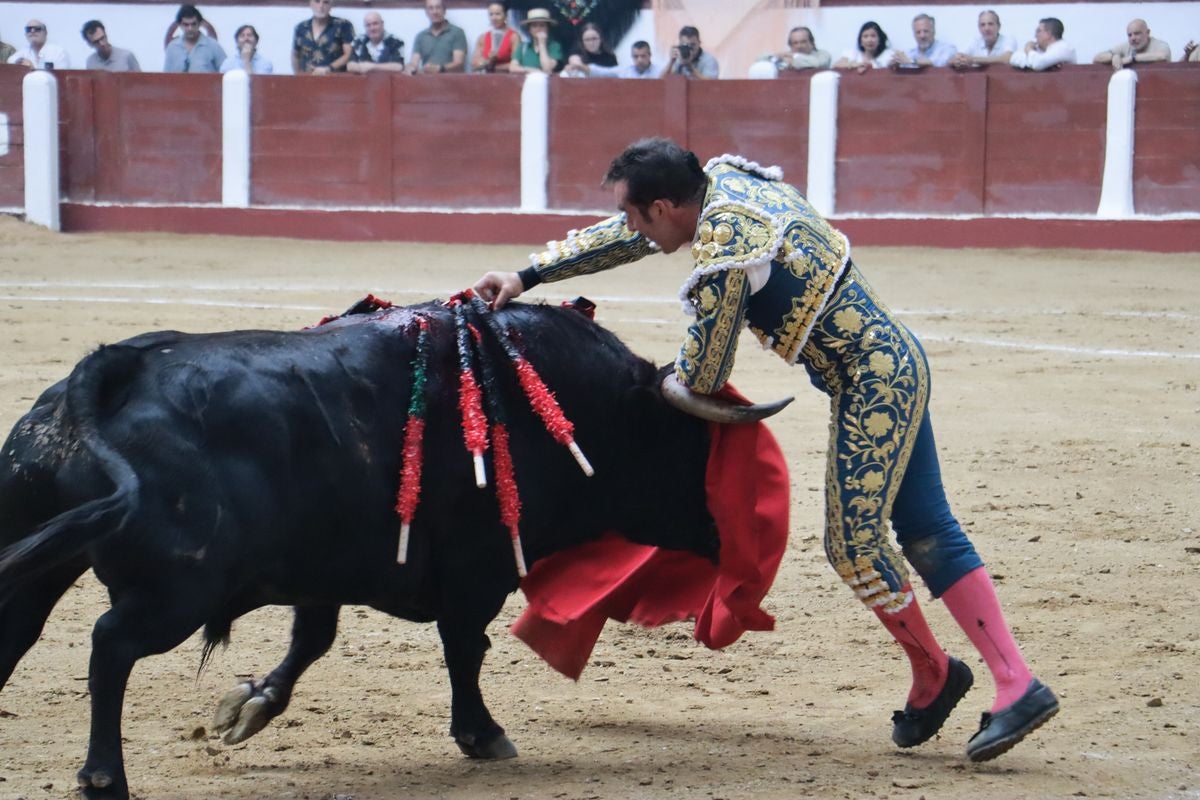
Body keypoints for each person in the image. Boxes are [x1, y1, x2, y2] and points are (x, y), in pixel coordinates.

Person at [474, 137, 1060, 763]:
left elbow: (704, 370)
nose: (632, 227)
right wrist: (529, 275)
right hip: (894, 363)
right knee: (925, 529)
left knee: (855, 548)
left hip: (873, 382)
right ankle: (953, 677)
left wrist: (653, 387)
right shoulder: (725, 181)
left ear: (666, 206)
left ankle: (982, 678)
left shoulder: (725, 249)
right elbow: (631, 237)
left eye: (637, 214)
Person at [292, 0, 354, 75]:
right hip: (307, 79)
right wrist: (298, 76)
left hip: (335, 79)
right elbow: (295, 55)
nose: (321, 6)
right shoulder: (301, 27)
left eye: (326, 2)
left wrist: (328, 68)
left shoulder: (343, 25)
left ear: (331, 6)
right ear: (310, 4)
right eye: (317, 1)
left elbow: (349, 54)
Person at [408, 0, 467, 74]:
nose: (434, 12)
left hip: (451, 81)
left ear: (444, 11)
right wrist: (410, 68)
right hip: (426, 81)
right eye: (430, 8)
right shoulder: (421, 36)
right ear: (426, 12)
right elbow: (414, 63)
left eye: (438, 7)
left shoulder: (457, 32)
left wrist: (440, 68)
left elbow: (459, 64)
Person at [164, 5, 225, 73]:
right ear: (180, 25)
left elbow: (225, 72)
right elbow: (166, 75)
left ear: (199, 24)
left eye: (193, 24)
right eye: (186, 25)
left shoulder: (213, 46)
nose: (190, 28)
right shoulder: (172, 47)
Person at [1092, 19, 1171, 69]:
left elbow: (1163, 55)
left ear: (1147, 33)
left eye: (1137, 33)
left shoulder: (1159, 44)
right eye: (1129, 35)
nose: (1133, 38)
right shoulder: (1126, 45)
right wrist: (1113, 57)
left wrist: (1133, 58)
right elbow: (1096, 58)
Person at [951, 10, 1016, 69]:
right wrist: (956, 61)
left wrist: (973, 60)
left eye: (990, 24)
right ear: (979, 28)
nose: (986, 28)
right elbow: (955, 58)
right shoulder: (974, 41)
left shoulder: (1008, 39)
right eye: (983, 25)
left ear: (999, 26)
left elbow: (1007, 58)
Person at [566, 39, 661, 79]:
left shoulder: (660, 71)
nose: (639, 60)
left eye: (643, 56)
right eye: (636, 56)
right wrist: (580, 67)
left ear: (650, 55)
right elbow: (600, 72)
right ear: (632, 57)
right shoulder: (624, 71)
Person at [509, 8, 563, 75]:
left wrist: (542, 44)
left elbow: (547, 68)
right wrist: (532, 70)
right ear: (529, 29)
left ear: (548, 28)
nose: (538, 29)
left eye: (542, 25)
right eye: (534, 26)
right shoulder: (522, 47)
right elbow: (512, 67)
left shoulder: (554, 46)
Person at [891, 13, 957, 67]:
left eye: (926, 31)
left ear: (934, 32)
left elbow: (938, 63)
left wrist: (911, 61)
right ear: (914, 35)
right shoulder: (909, 53)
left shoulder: (947, 49)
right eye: (918, 32)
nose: (922, 36)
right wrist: (894, 64)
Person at [471, 1, 519, 73]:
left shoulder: (513, 36)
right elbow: (474, 63)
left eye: (498, 14)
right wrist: (489, 61)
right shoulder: (483, 37)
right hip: (486, 78)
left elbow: (516, 63)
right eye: (491, 14)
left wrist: (493, 67)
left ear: (505, 15)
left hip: (507, 77)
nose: (494, 18)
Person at [1009, 18, 1075, 71]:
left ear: (1048, 34)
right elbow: (1014, 58)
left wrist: (1028, 49)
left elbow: (1037, 64)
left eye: (1038, 31)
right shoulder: (1040, 49)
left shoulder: (1063, 48)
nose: (1035, 36)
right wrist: (1032, 60)